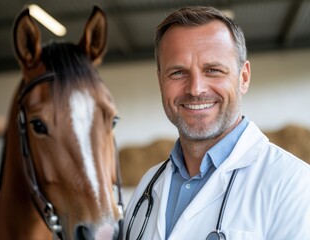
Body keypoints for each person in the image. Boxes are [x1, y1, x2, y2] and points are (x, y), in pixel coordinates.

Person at [122, 6, 310, 240]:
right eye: (178, 72)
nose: (195, 89)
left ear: (243, 77)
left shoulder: (294, 185)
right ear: (160, 81)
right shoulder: (147, 186)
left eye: (213, 70)